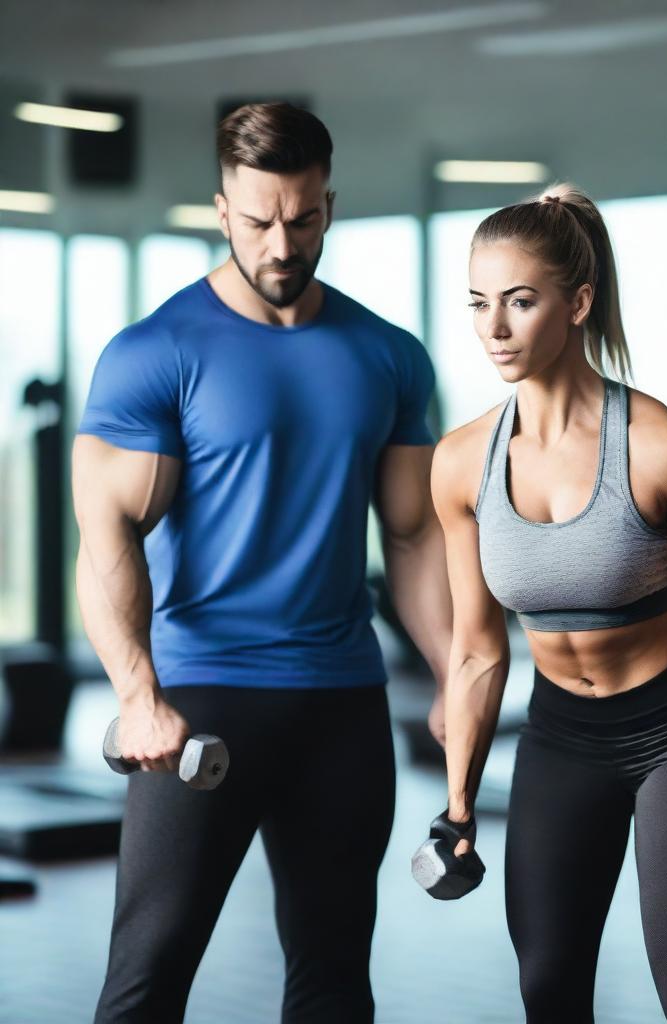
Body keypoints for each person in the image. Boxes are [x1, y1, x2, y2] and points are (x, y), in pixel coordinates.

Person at [73, 102, 452, 1024]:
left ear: (330, 204)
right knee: (147, 979)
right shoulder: (155, 354)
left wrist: (454, 674)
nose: (283, 242)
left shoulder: (388, 357)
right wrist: (136, 695)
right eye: (258, 221)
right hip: (203, 699)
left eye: (305, 216)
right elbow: (107, 535)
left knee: (332, 981)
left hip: (343, 704)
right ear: (221, 210)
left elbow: (409, 536)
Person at [429, 183, 667, 1023]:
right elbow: (479, 650)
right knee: (548, 988)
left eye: (520, 302)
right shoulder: (459, 463)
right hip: (561, 737)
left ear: (578, 302)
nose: (494, 328)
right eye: (479, 304)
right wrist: (456, 805)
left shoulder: (666, 449)